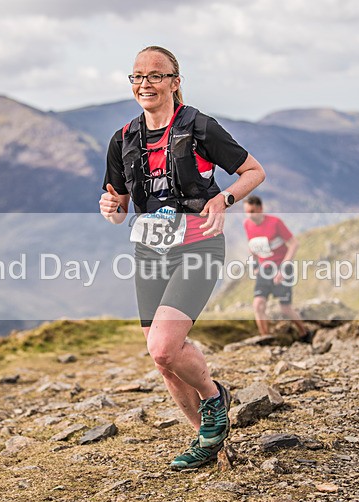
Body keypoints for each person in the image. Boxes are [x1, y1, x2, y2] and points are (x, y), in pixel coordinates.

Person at [99, 46, 265, 470]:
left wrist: (224, 199)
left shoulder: (200, 127)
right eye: (138, 76)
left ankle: (214, 396)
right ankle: (208, 442)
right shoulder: (123, 139)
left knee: (163, 347)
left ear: (175, 82)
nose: (145, 84)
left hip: (197, 246)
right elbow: (118, 209)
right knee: (164, 362)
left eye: (156, 75)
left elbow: (253, 172)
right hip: (149, 253)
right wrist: (110, 208)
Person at [243, 195, 311, 341]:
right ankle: (265, 338)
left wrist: (283, 269)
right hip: (264, 269)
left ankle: (304, 333)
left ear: (260, 209)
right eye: (247, 212)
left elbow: (294, 244)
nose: (249, 215)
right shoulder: (247, 224)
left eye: (252, 211)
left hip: (282, 268)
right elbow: (252, 246)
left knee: (285, 308)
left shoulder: (275, 223)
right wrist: (255, 265)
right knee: (258, 305)